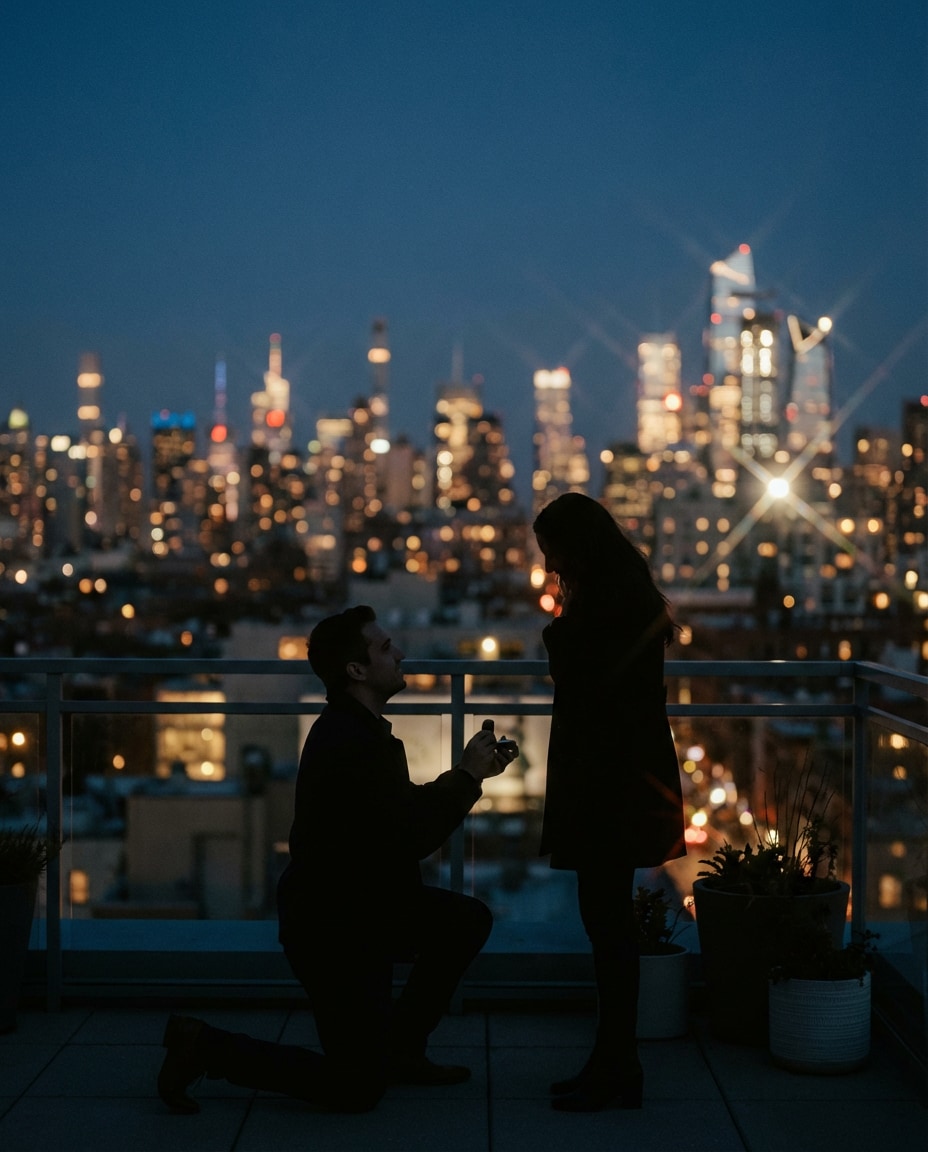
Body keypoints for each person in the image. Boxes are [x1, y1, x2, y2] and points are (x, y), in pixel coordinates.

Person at [157, 604, 516, 1114]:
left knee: (465, 921)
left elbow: (400, 818)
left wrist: (466, 775)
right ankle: (203, 1046)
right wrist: (467, 777)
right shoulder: (353, 743)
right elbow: (408, 834)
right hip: (334, 930)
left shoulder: (358, 733)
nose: (401, 654)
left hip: (361, 909)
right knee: (355, 1087)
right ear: (356, 670)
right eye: (386, 648)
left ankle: (399, 1051)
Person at [532, 492, 686, 1112]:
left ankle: (617, 1065)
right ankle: (612, 1059)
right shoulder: (631, 601)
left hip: (607, 785)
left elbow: (584, 682)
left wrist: (555, 632)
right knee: (609, 923)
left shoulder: (603, 611)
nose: (549, 568)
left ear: (578, 549)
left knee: (607, 926)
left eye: (553, 554)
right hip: (623, 779)